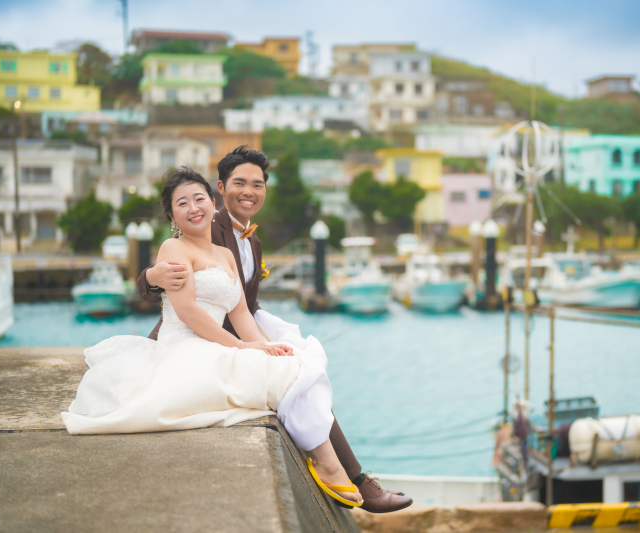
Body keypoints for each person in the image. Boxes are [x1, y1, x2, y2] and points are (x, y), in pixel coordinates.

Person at [63, 167, 363, 508]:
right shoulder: (173, 248)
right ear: (172, 214)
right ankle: (328, 462)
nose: (193, 208)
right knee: (278, 373)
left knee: (294, 358)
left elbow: (239, 314)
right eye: (182, 203)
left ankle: (330, 461)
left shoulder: (224, 255)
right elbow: (189, 311)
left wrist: (264, 345)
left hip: (215, 345)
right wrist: (243, 346)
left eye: (199, 198)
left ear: (212, 201)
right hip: (185, 347)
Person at [136, 146, 411, 513]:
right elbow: (172, 288)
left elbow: (241, 303)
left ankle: (348, 472)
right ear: (221, 188)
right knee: (294, 370)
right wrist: (151, 277)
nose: (249, 191)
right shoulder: (206, 224)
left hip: (240, 323)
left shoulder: (251, 241)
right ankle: (350, 475)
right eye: (239, 183)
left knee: (302, 363)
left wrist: (265, 344)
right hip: (201, 338)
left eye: (257, 184)